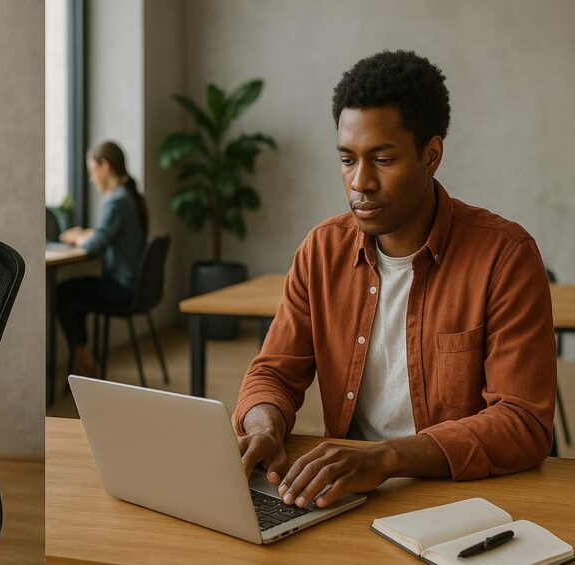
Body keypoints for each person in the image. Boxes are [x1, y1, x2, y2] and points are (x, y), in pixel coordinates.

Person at [233, 50, 556, 511]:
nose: (359, 182)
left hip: (460, 499)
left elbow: (523, 422)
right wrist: (264, 427)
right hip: (346, 494)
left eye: (382, 159)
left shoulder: (505, 257)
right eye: (347, 160)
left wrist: (387, 458)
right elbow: (273, 373)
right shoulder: (321, 250)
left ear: (431, 155)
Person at [57, 141, 147, 376]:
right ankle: (83, 357)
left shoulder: (116, 202)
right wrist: (87, 234)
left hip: (121, 288)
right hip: (134, 285)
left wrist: (77, 238)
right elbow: (107, 235)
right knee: (73, 294)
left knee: (63, 293)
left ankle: (83, 361)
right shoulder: (129, 196)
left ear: (104, 166)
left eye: (92, 171)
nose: (91, 178)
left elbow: (94, 247)